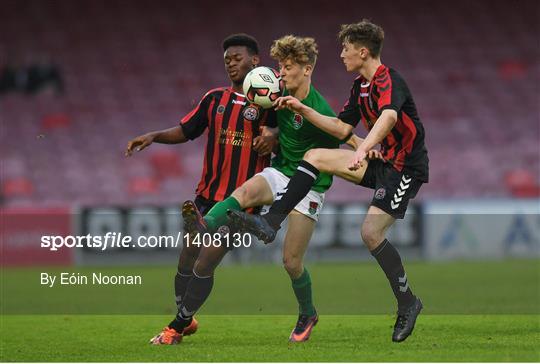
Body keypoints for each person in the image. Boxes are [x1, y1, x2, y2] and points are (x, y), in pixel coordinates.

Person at [229, 20, 429, 343]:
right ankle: (271, 222)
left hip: (404, 168)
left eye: (346, 49)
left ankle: (408, 302)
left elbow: (389, 116)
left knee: (370, 234)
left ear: (362, 52)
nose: (341, 55)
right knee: (315, 156)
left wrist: (364, 149)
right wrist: (301, 109)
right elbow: (339, 128)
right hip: (377, 161)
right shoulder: (359, 87)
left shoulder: (388, 80)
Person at [180, 35, 379, 343]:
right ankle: (205, 224)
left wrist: (367, 147)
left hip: (310, 184)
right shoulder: (276, 92)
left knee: (291, 262)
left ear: (307, 69)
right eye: (280, 66)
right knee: (244, 192)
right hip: (281, 171)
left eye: (288, 67)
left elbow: (345, 134)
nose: (282, 73)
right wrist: (270, 131)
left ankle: (307, 312)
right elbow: (261, 108)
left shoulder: (317, 106)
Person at [125, 33, 278, 345]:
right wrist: (154, 135)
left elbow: (283, 132)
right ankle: (187, 317)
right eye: (227, 60)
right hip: (207, 195)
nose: (231, 63)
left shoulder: (270, 101)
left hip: (242, 202)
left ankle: (175, 329)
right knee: (187, 257)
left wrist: (273, 135)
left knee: (207, 259)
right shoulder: (214, 99)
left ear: (255, 60)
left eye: (237, 58)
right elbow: (186, 130)